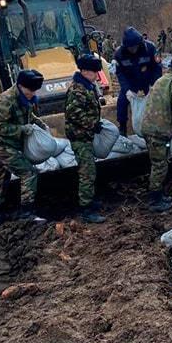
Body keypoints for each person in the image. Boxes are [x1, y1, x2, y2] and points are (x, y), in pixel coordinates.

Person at [0, 69, 49, 227]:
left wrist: (40, 124)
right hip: (0, 145)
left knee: (1, 178)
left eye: (34, 91)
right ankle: (27, 213)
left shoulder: (24, 98)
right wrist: (21, 129)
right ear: (21, 86)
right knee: (29, 173)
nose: (32, 94)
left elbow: (28, 115)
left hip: (11, 144)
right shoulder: (6, 101)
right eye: (30, 91)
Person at [142, 54, 172, 212]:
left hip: (151, 126)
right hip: (158, 129)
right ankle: (155, 200)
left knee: (159, 162)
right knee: (160, 164)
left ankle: (159, 194)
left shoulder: (163, 79)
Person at [65, 55, 106, 223]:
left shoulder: (86, 86)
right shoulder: (77, 90)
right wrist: (92, 124)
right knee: (87, 173)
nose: (97, 75)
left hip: (85, 135)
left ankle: (89, 200)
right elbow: (74, 114)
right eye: (94, 72)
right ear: (85, 71)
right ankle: (86, 209)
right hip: (79, 137)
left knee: (89, 170)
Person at [113, 27, 163, 136]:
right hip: (131, 82)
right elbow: (120, 73)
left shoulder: (150, 48)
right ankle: (122, 127)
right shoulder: (119, 54)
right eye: (130, 48)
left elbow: (157, 68)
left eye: (135, 47)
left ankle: (157, 124)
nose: (133, 49)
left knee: (157, 100)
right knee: (122, 101)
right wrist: (126, 89)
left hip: (148, 80)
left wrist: (154, 85)